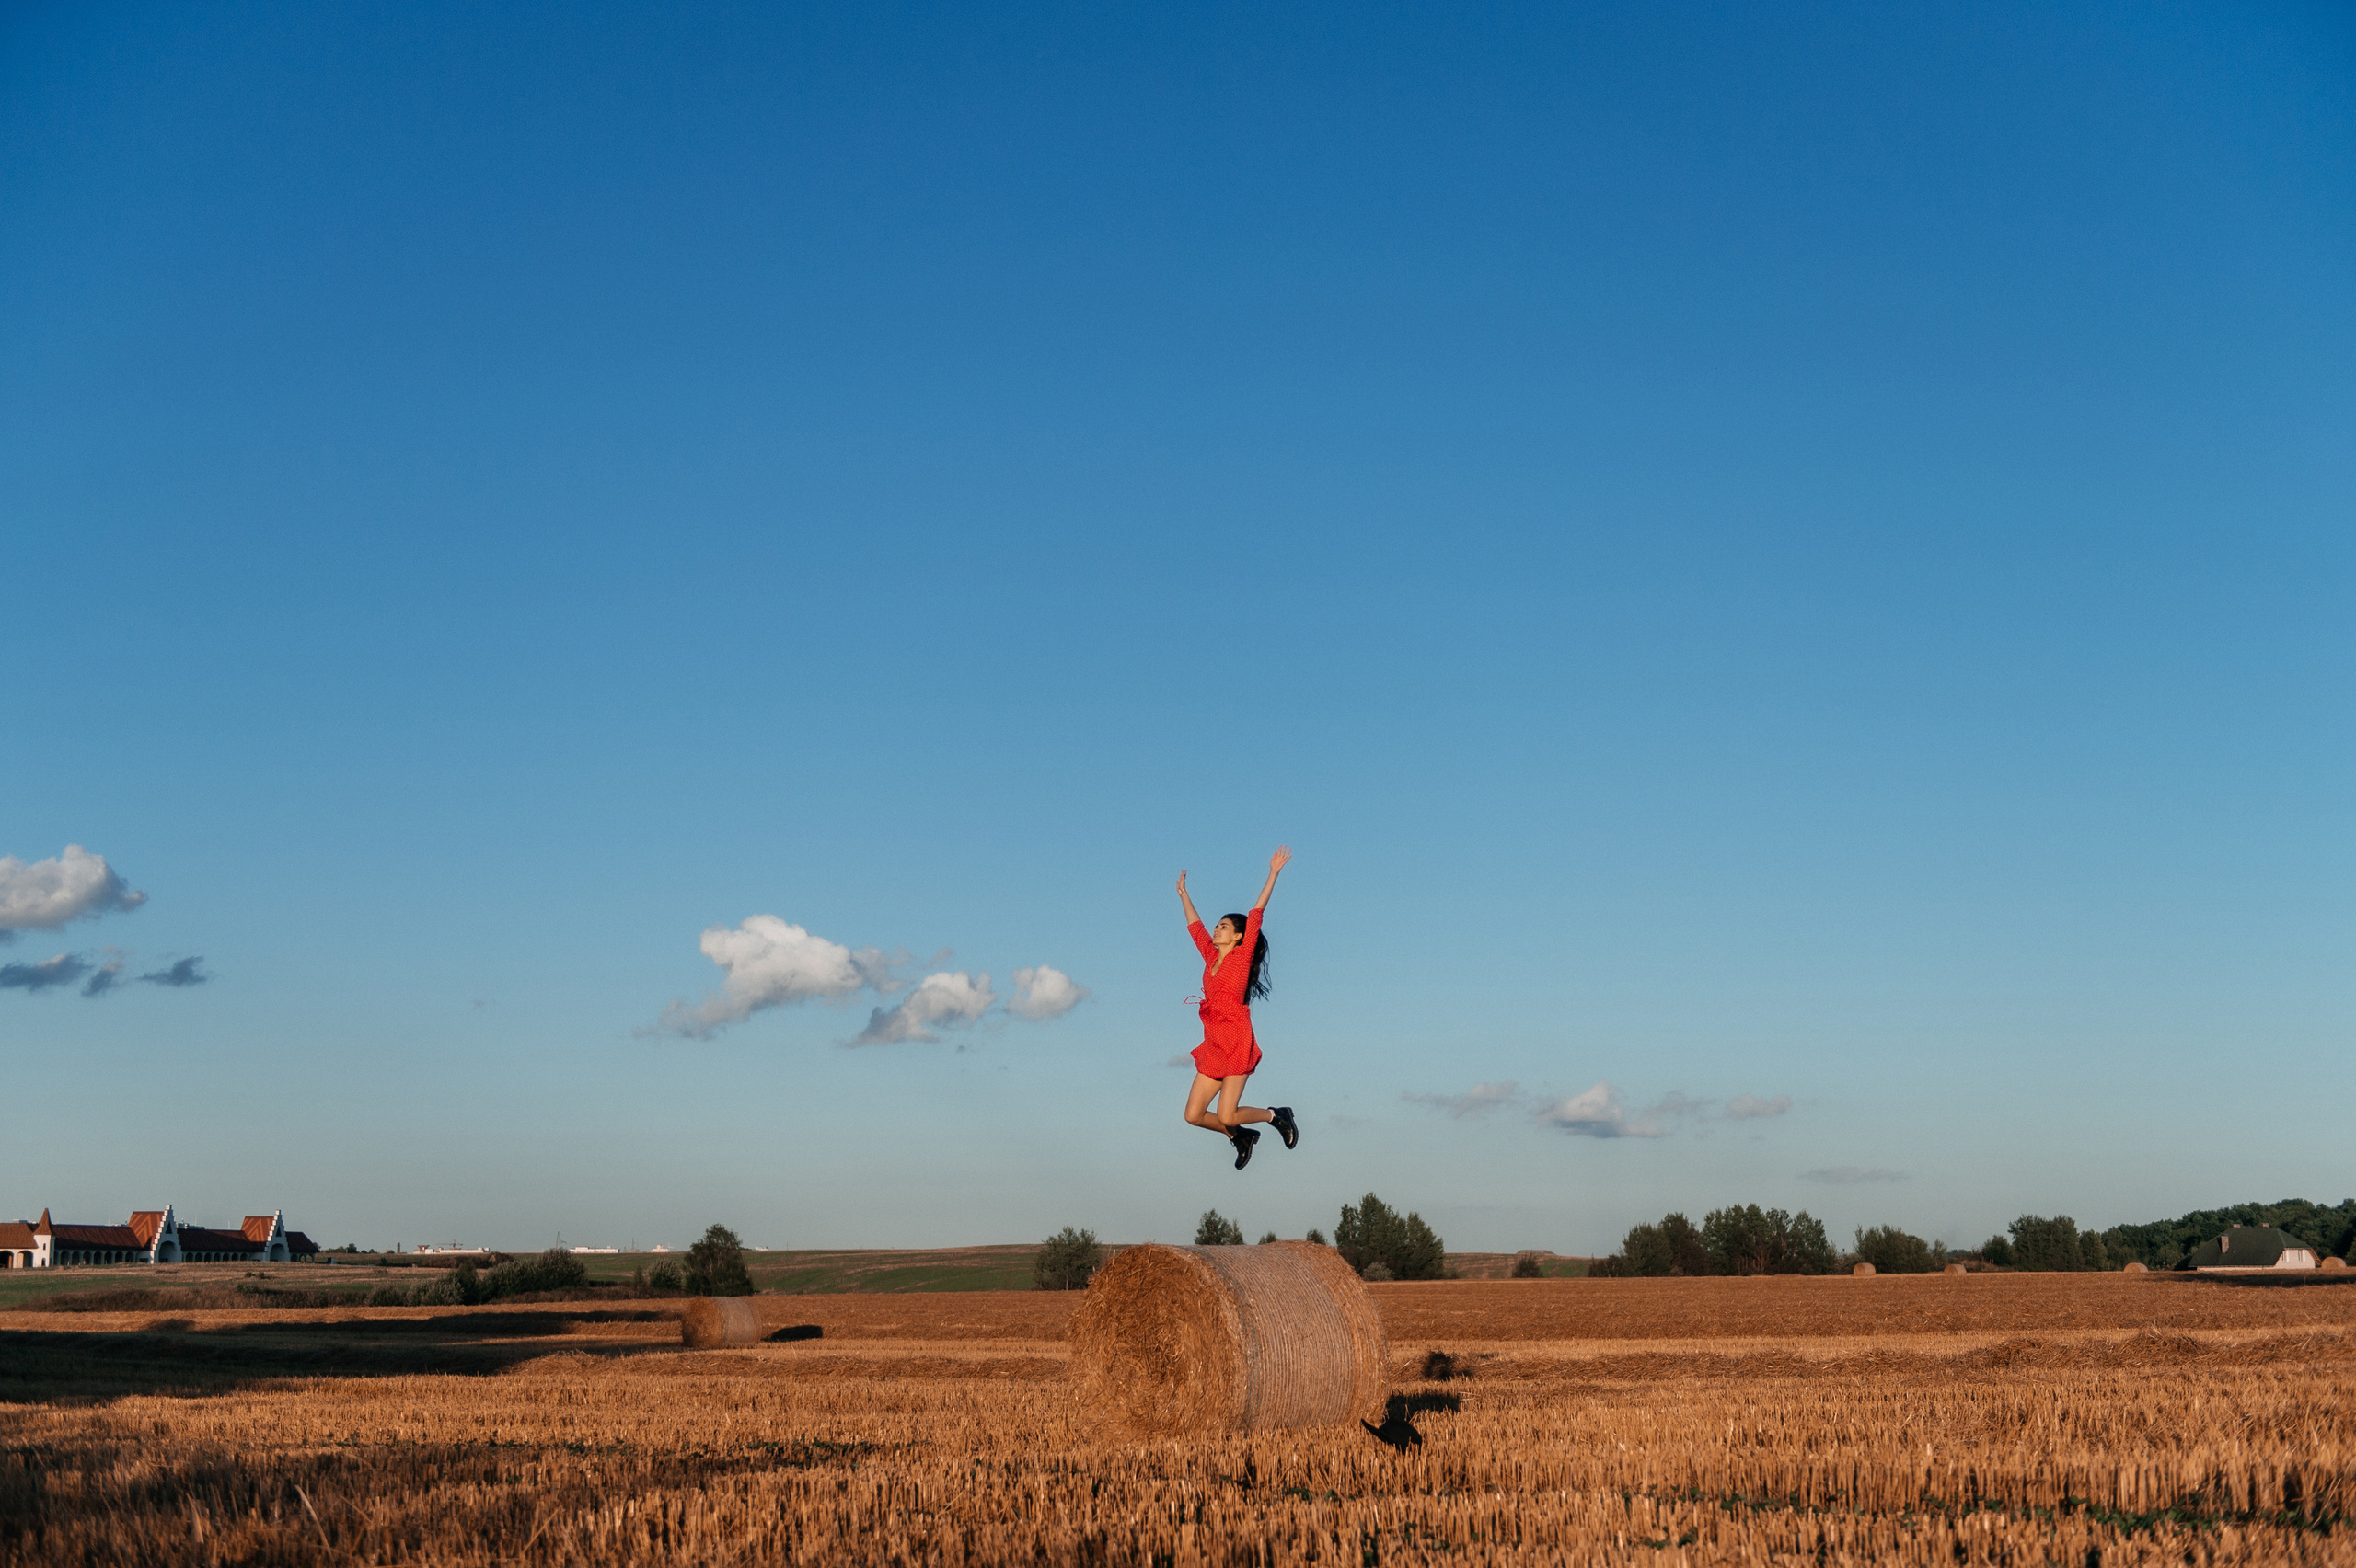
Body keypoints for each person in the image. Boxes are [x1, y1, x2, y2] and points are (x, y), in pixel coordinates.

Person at [1177, 846, 1299, 1170]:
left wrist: (1272, 873)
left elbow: (1257, 911)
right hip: (1214, 1041)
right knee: (1193, 1115)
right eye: (1217, 926)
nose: (1217, 929)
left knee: (1228, 1112)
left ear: (1238, 936)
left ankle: (1277, 1116)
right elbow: (1195, 928)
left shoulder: (1241, 959)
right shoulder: (1211, 956)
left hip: (1236, 1040)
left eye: (1224, 927)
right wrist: (1183, 895)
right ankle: (1239, 1137)